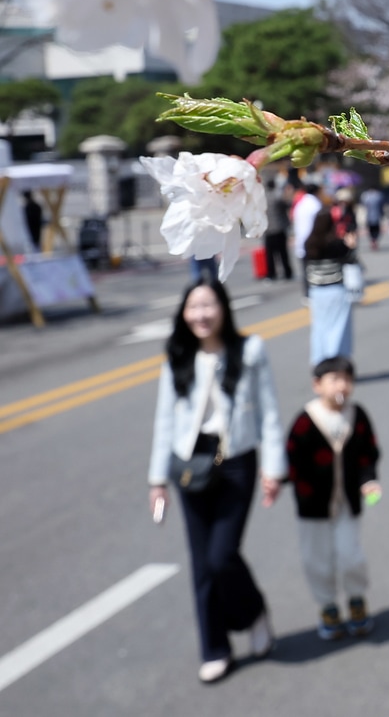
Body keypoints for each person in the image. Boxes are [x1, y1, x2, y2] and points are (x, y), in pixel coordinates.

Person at [146, 277, 283, 683]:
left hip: (237, 461)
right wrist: (157, 481)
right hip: (190, 465)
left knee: (222, 556)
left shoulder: (250, 350)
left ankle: (253, 612)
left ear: (224, 308)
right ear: (183, 313)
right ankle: (215, 648)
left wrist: (273, 469)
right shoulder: (177, 357)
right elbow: (165, 421)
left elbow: (269, 412)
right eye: (193, 307)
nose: (201, 314)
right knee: (202, 562)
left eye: (208, 305)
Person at [285, 356, 381, 641]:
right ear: (317, 385)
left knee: (350, 555)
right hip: (313, 506)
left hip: (347, 503)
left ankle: (356, 599)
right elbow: (291, 459)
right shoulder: (305, 421)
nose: (342, 385)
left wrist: (369, 481)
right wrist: (278, 479)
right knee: (316, 559)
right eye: (335, 379)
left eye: (348, 379)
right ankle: (327, 606)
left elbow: (369, 453)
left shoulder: (357, 415)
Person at [305, 210, 358, 365]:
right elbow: (351, 260)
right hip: (335, 289)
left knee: (319, 327)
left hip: (316, 291)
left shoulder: (309, 243)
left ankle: (319, 360)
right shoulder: (335, 243)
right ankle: (335, 361)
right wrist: (351, 246)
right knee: (338, 327)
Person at [292, 178, 325, 298]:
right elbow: (321, 226)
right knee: (317, 272)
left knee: (306, 272)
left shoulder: (300, 204)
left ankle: (307, 295)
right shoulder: (315, 204)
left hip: (302, 243)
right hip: (314, 243)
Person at [264, 183, 295, 282]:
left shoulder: (263, 198)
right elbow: (288, 205)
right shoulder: (277, 196)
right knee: (283, 253)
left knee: (270, 254)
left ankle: (271, 274)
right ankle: (287, 272)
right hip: (279, 228)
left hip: (268, 229)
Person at [361, 187, 385, 251]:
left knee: (371, 230)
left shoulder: (366, 196)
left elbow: (364, 205)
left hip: (369, 216)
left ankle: (372, 241)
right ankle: (375, 240)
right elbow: (381, 206)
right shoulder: (379, 196)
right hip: (377, 216)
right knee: (376, 230)